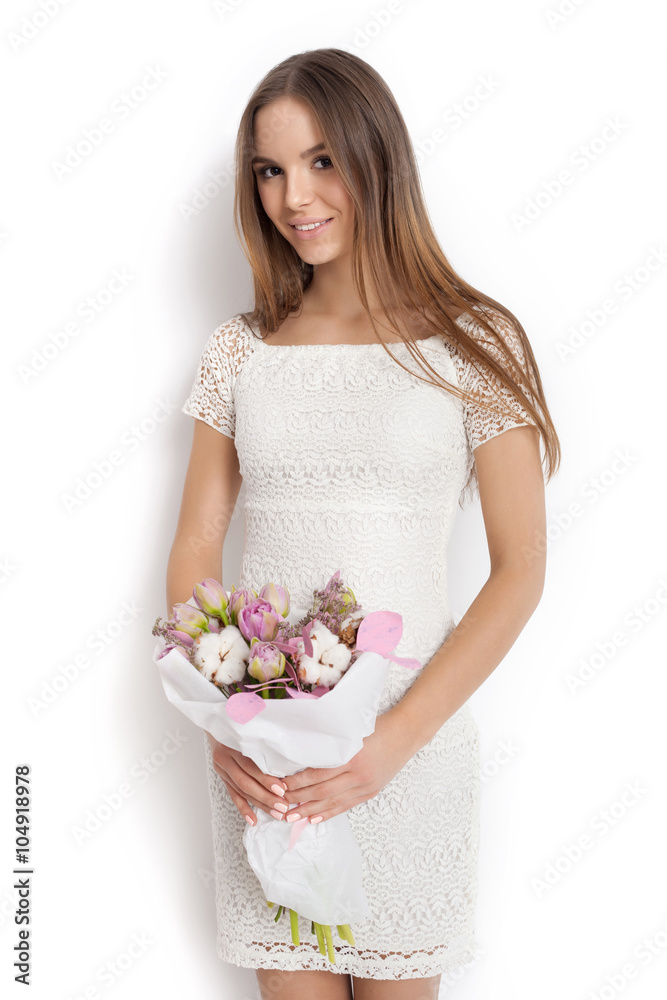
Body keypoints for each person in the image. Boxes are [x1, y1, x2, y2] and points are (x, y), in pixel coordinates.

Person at [166, 47, 560, 1000]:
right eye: (269, 168)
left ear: (376, 157)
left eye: (321, 160)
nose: (293, 195)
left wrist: (389, 747)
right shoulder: (240, 351)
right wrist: (223, 724)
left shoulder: (475, 342)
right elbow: (194, 550)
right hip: (270, 763)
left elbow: (519, 572)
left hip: (408, 754)